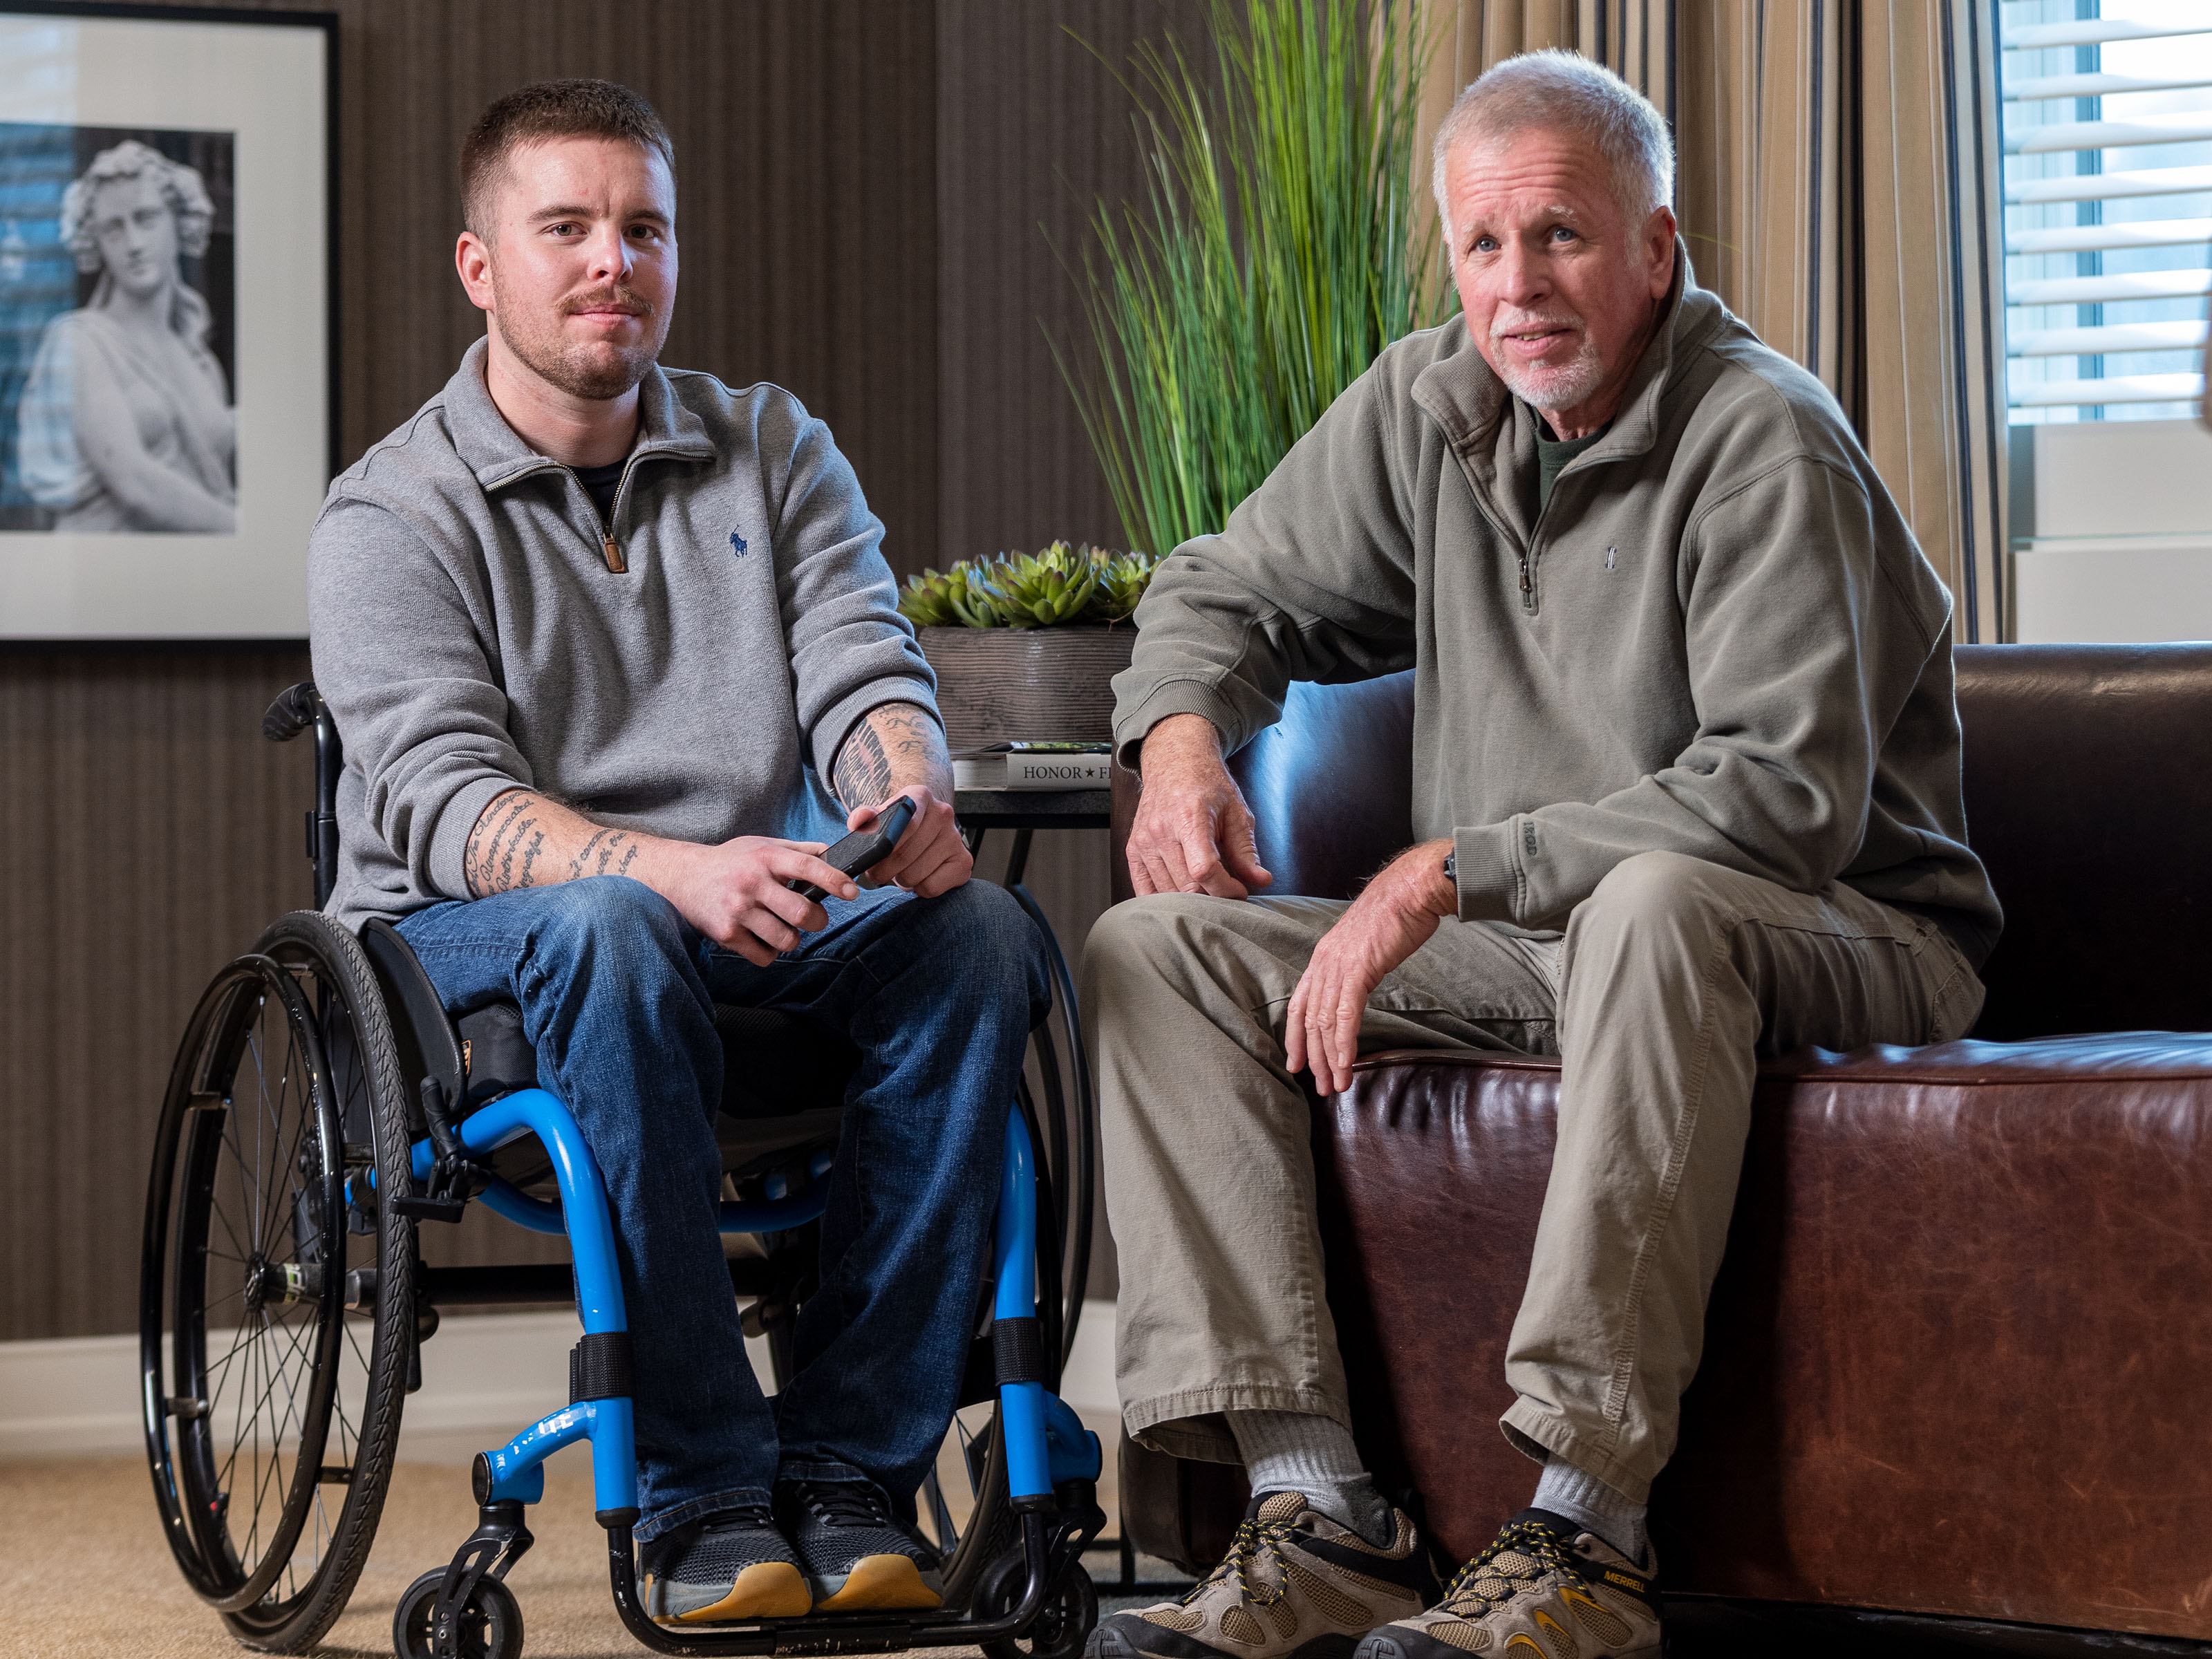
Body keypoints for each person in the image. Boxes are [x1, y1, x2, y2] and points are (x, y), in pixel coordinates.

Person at [1083, 50, 2000, 1659]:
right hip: (1551, 946)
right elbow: (1220, 583)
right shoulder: (1436, 402)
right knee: (1156, 951)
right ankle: (1321, 1513)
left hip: (1839, 926)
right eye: (1485, 246)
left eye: (1562, 237)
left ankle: (1587, 1530)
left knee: (1652, 902)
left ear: (1656, 247)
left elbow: (1781, 796)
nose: (1520, 285)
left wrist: (1445, 869)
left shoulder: (1766, 442)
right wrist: (1175, 741)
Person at [308, 79, 1048, 1627]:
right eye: (565, 228)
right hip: (467, 956)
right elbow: (448, 800)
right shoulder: (388, 513)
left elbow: (864, 668)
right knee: (606, 930)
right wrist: (666, 871)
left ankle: (850, 1463)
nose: (611, 263)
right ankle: (705, 1489)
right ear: (478, 265)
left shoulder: (771, 447)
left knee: (982, 940)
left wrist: (899, 797)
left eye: (642, 228)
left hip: (745, 915)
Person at [17, 139, 236, 531]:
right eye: (113, 229)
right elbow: (134, 481)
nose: (133, 244)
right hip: (104, 576)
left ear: (179, 221)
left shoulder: (201, 361)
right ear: (96, 241)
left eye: (146, 218)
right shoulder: (80, 342)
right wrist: (243, 530)